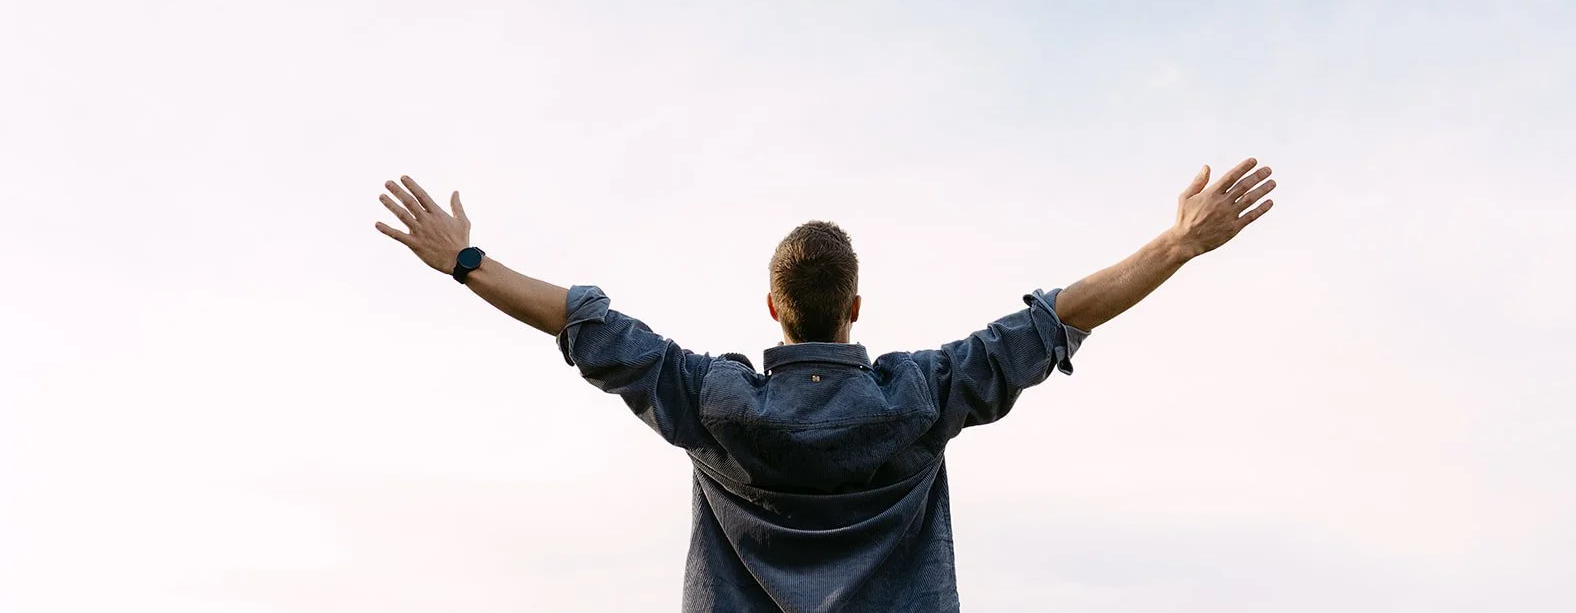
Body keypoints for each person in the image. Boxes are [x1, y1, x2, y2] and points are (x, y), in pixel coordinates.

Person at [375, 157, 1276, 612]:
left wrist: (462, 259)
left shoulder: (712, 401)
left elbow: (579, 321)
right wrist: (1177, 244)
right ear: (855, 306)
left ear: (772, 307)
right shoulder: (921, 396)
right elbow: (1055, 321)